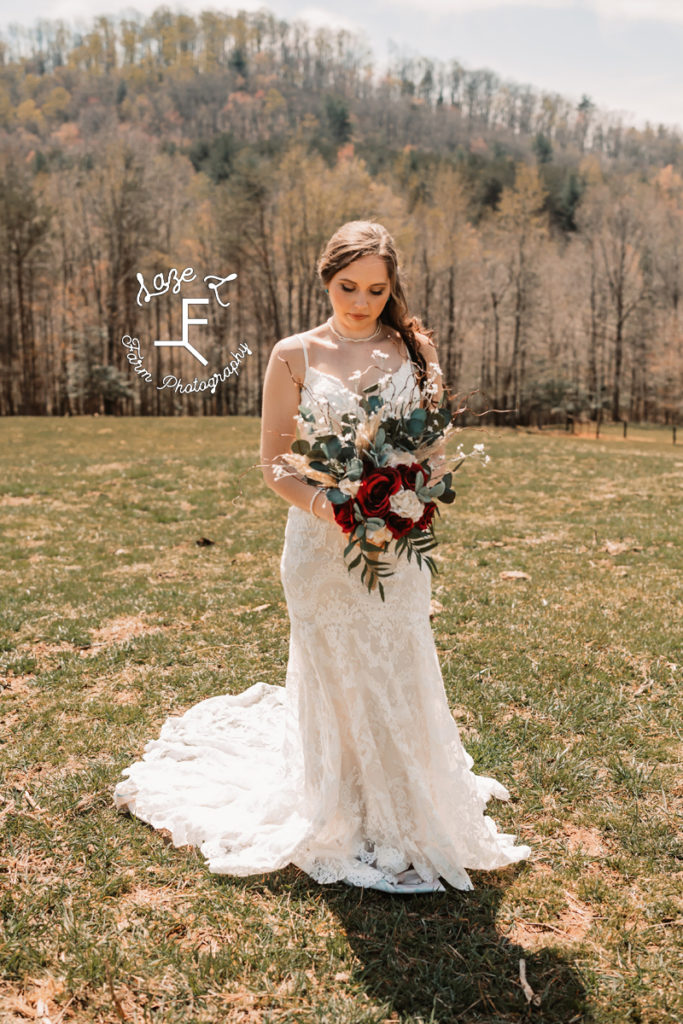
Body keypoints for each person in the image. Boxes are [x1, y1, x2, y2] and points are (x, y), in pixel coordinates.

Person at [113, 220, 532, 894]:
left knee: (397, 653)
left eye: (374, 288)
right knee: (333, 664)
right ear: (325, 279)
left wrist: (412, 496)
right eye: (347, 286)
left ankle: (405, 799)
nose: (360, 301)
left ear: (391, 287)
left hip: (394, 539)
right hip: (318, 542)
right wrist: (332, 507)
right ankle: (334, 802)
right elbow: (274, 463)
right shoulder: (293, 354)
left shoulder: (412, 347)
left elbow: (435, 446)